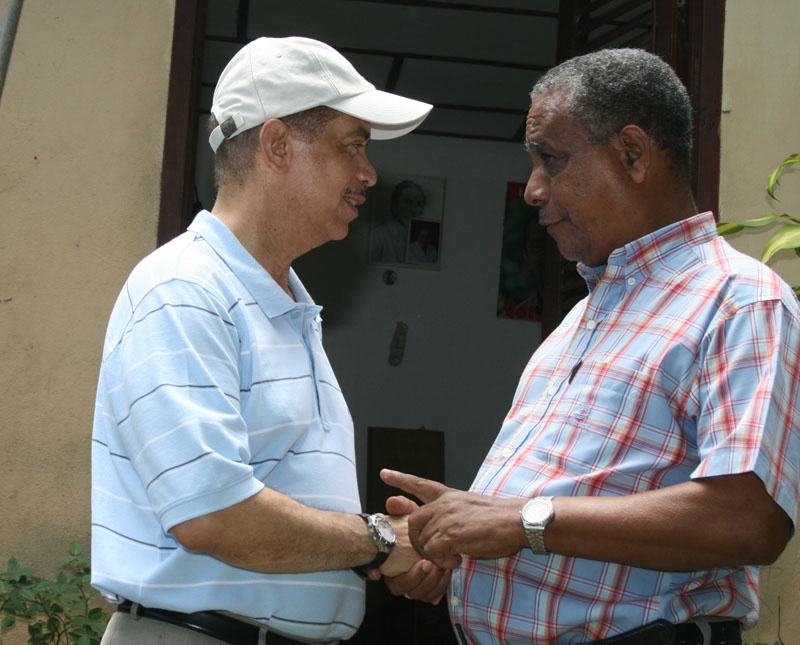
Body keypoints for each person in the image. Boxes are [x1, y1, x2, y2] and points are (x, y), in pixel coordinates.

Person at [380, 48, 800, 645]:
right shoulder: (584, 316)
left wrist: (521, 519)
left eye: (550, 159)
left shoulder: (739, 301)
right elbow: (568, 518)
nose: (532, 190)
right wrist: (459, 541)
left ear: (633, 153)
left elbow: (749, 519)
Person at [91, 36, 432, 644]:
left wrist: (387, 549)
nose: (368, 173)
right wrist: (380, 541)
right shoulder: (185, 288)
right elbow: (214, 515)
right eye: (353, 145)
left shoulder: (274, 301)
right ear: (277, 145)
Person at [371, 179, 426, 262]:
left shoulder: (419, 240)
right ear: (395, 205)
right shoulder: (379, 234)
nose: (414, 210)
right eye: (408, 202)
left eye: (419, 204)